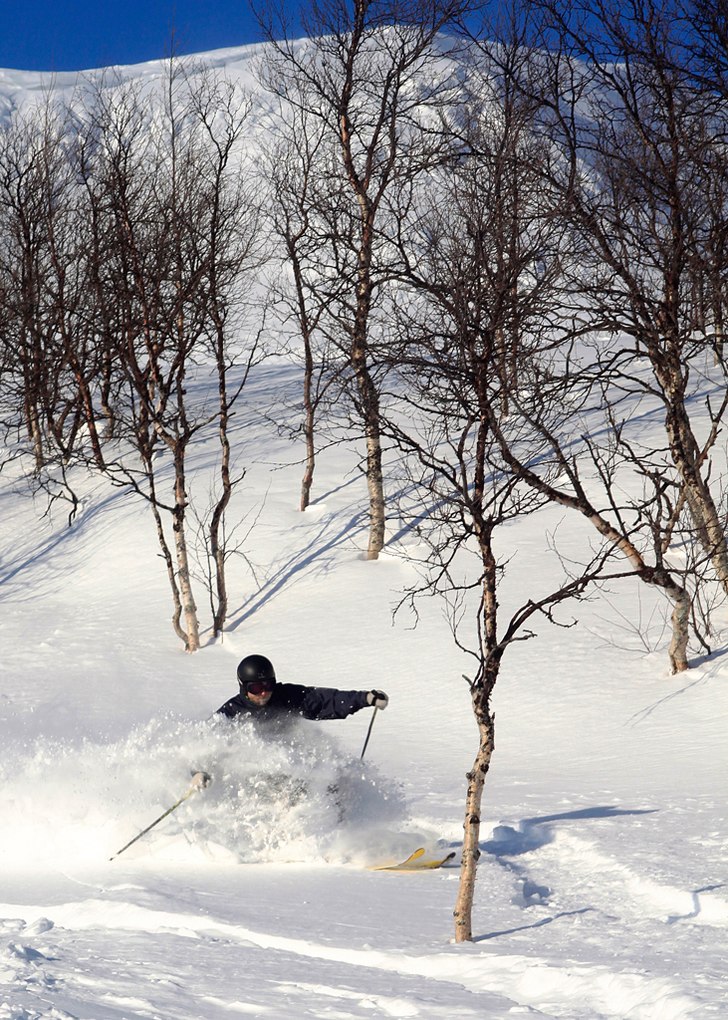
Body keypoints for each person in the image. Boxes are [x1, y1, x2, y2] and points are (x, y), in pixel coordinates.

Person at [216, 653, 389, 723]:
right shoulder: (231, 712)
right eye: (255, 687)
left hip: (293, 765)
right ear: (244, 687)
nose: (263, 692)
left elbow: (325, 700)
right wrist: (199, 771)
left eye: (268, 685)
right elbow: (206, 743)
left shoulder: (287, 697)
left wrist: (365, 698)